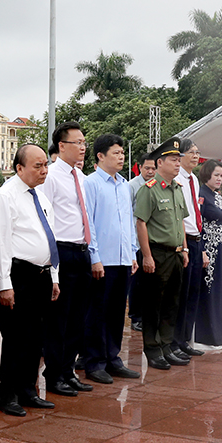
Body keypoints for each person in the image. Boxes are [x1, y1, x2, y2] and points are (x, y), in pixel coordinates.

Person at [0, 144, 60, 416]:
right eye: (37, 166)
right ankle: (7, 395)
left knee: (36, 337)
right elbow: (2, 243)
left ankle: (28, 390)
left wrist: (54, 275)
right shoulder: (5, 196)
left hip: (42, 274)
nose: (44, 171)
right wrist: (5, 283)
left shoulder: (40, 197)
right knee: (16, 338)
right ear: (19, 168)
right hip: (19, 276)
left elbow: (48, 236)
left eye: (45, 165)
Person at [40, 122, 94, 397]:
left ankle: (67, 371)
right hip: (61, 253)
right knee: (58, 320)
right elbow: (46, 221)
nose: (83, 147)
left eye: (85, 142)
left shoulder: (81, 178)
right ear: (62, 146)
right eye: (78, 142)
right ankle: (54, 375)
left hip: (81, 252)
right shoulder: (50, 177)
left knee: (76, 319)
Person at [82, 134, 140, 384]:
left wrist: (133, 252)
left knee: (117, 312)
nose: (121, 157)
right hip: (102, 260)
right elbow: (89, 224)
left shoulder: (124, 185)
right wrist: (94, 257)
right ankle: (94, 362)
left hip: (123, 259)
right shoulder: (91, 183)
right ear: (100, 156)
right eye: (116, 153)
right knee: (97, 312)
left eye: (122, 153)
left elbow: (128, 221)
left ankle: (113, 358)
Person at [134, 137, 190, 370]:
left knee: (172, 303)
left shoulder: (177, 189)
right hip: (157, 254)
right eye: (173, 160)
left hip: (176, 254)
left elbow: (181, 222)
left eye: (179, 160)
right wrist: (147, 256)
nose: (178, 164)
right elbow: (141, 223)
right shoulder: (149, 190)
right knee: (153, 305)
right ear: (160, 163)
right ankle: (152, 349)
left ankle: (167, 346)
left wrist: (185, 248)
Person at [173, 138, 206, 358]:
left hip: (196, 240)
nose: (195, 156)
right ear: (181, 155)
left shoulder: (194, 179)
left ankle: (185, 339)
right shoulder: (177, 179)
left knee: (193, 293)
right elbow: (179, 216)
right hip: (182, 241)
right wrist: (183, 246)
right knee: (180, 294)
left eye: (197, 152)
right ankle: (174, 341)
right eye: (191, 152)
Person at [195, 159, 222, 351]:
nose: (219, 179)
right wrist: (202, 251)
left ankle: (217, 336)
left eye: (221, 176)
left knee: (219, 291)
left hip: (220, 248)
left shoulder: (217, 196)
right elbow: (197, 224)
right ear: (207, 174)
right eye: (216, 175)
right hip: (207, 248)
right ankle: (204, 337)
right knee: (207, 290)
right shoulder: (201, 195)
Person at [127, 154, 156, 333]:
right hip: (136, 242)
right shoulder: (132, 186)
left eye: (153, 168)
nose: (151, 172)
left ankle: (148, 315)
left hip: (152, 240)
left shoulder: (156, 186)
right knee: (136, 283)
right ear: (140, 167)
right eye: (147, 168)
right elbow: (129, 214)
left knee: (149, 282)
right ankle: (135, 317)